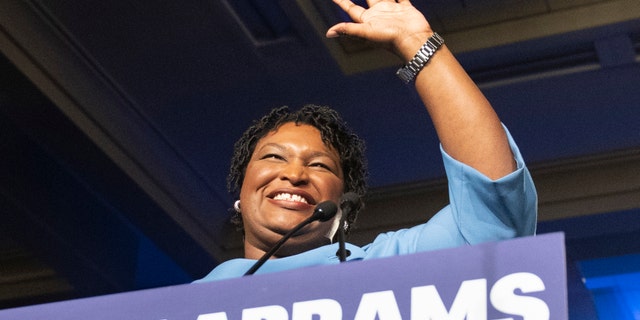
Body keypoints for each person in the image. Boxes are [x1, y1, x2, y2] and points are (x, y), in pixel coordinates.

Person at [195, 0, 537, 282]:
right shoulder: (183, 305)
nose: (295, 174)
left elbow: (495, 220)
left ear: (342, 207)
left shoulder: (384, 269)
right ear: (242, 189)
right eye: (274, 158)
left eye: (319, 165)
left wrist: (416, 43)